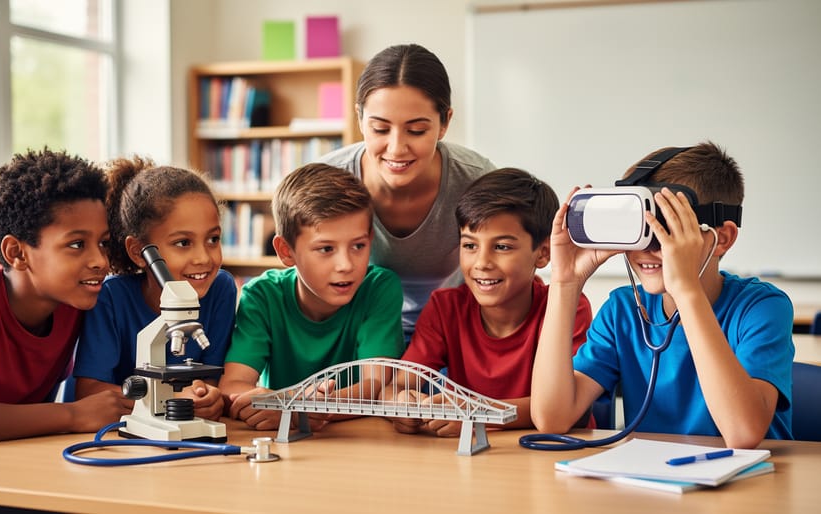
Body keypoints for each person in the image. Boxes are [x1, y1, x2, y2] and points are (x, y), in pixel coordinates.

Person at [530, 141, 794, 448]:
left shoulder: (761, 308)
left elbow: (742, 434)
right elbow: (551, 418)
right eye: (639, 227)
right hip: (654, 483)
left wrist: (685, 290)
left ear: (721, 239)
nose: (648, 247)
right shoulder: (623, 311)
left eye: (669, 229)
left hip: (751, 487)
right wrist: (565, 283)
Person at [0, 148, 129, 445]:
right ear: (17, 253)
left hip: (9, 466)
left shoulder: (74, 302)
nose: (100, 261)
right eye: (77, 244)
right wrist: (72, 415)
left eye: (104, 243)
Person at [387, 168, 592, 437]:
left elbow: (568, 405)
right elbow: (395, 386)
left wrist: (476, 413)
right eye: (470, 246)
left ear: (543, 253)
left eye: (502, 247)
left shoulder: (568, 307)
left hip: (552, 454)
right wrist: (400, 406)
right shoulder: (445, 308)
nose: (482, 263)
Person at [317, 43, 497, 340]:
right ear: (360, 118)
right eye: (380, 129)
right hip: (356, 335)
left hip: (451, 334)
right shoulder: (325, 180)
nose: (397, 148)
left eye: (416, 131)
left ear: (445, 123)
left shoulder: (477, 181)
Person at [220, 162, 405, 431]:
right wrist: (287, 407)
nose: (346, 264)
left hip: (361, 440)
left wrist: (294, 410)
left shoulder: (379, 288)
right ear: (286, 251)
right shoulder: (262, 295)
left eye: (358, 246)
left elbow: (375, 387)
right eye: (326, 249)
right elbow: (232, 386)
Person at [73, 156, 236, 421]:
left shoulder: (221, 289)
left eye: (213, 239)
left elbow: (210, 377)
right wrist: (170, 401)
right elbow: (89, 390)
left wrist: (209, 397)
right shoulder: (110, 298)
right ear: (139, 252)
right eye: (183, 242)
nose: (204, 258)